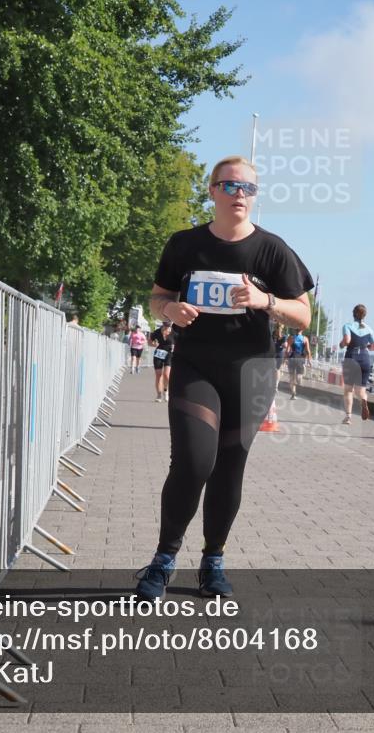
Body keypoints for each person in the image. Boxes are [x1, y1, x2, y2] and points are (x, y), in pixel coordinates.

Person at [135, 155, 314, 600]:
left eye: (248, 189)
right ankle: (163, 559)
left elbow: (304, 316)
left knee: (230, 468)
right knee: (194, 462)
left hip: (249, 372)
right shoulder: (184, 245)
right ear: (212, 190)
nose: (240, 195)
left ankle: (213, 561)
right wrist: (170, 310)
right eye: (231, 186)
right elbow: (158, 297)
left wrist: (264, 299)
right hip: (196, 366)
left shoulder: (272, 250)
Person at [340, 305, 374, 424]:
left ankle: (348, 417)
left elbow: (347, 341)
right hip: (365, 358)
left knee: (348, 389)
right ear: (364, 315)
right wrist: (365, 347)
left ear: (353, 314)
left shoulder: (348, 326)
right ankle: (363, 400)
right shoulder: (369, 329)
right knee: (361, 390)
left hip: (351, 357)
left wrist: (341, 344)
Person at [150, 321, 174, 402]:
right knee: (158, 375)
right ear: (163, 325)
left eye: (168, 326)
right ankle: (159, 395)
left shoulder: (174, 332)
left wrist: (175, 347)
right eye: (165, 326)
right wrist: (153, 344)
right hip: (159, 354)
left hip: (169, 354)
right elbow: (149, 341)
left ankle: (165, 390)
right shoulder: (157, 332)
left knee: (166, 375)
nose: (167, 328)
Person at [286, 328, 311, 399]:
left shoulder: (291, 338)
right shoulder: (305, 339)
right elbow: (308, 351)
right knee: (298, 378)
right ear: (302, 330)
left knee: (291, 377)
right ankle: (294, 391)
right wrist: (309, 360)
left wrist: (285, 359)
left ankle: (293, 392)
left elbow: (287, 350)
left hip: (292, 358)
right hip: (300, 359)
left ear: (294, 330)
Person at [272, 324, 287, 390]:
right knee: (277, 369)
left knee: (273, 369)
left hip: (273, 353)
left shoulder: (273, 334)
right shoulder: (284, 336)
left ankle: (273, 384)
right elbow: (285, 345)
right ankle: (276, 385)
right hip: (279, 354)